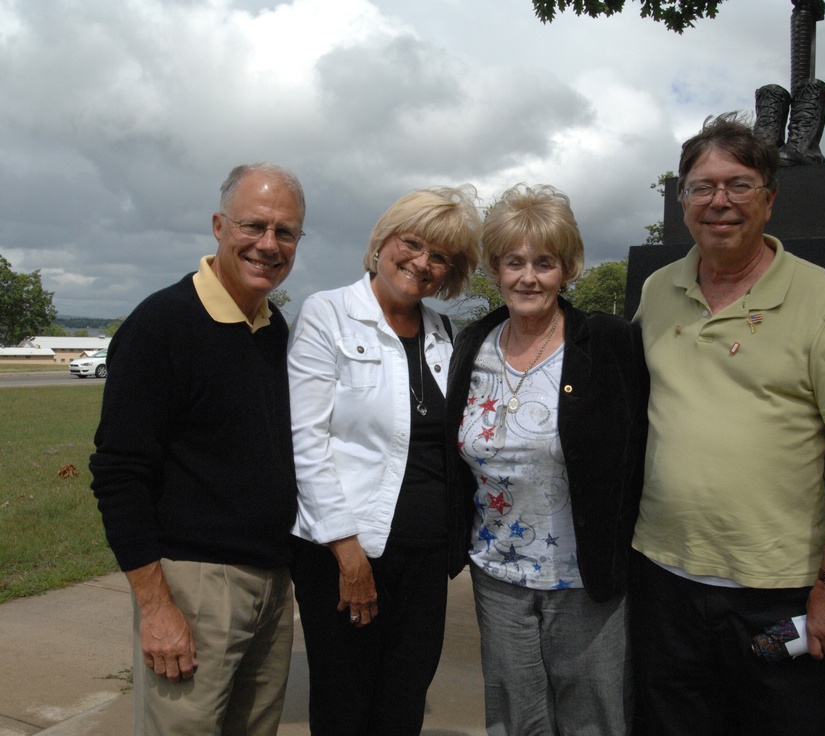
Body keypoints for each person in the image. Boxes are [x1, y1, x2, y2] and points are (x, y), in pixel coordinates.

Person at [629, 114, 825, 736]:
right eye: (702, 186)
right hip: (662, 577)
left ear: (769, 200)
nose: (719, 201)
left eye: (739, 185)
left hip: (776, 590)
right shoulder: (658, 290)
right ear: (683, 200)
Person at [90, 162, 306, 735]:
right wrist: (158, 609)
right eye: (254, 225)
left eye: (285, 232)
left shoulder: (273, 326)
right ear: (218, 225)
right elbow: (118, 473)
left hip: (269, 582)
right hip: (196, 587)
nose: (268, 244)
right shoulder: (162, 324)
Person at [445, 183, 648, 736]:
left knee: (593, 721)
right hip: (498, 577)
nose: (528, 277)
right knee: (515, 723)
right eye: (513, 262)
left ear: (569, 268)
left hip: (584, 581)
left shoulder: (607, 342)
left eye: (544, 263)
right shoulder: (472, 346)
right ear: (494, 268)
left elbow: (640, 452)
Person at [287, 186, 482, 736]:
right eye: (412, 243)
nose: (421, 263)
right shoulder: (328, 314)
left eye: (439, 256)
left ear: (451, 271)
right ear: (383, 242)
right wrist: (348, 554)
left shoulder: (446, 336)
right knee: (346, 703)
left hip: (425, 555)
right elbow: (307, 441)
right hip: (345, 551)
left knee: (404, 699)